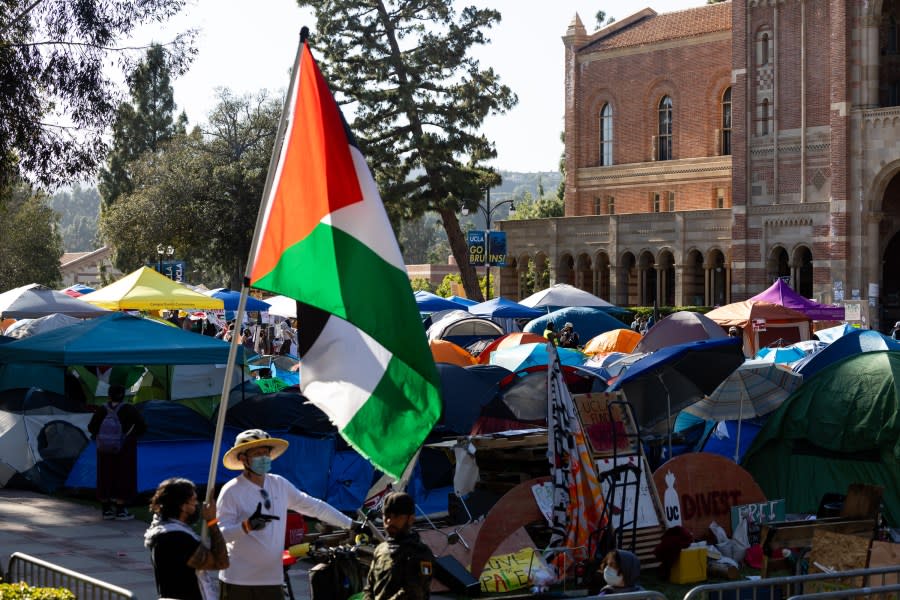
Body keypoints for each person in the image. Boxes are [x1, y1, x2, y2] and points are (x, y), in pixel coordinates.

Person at [216, 429, 354, 599]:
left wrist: (350, 524)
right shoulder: (231, 491)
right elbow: (220, 535)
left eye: (266, 453)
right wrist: (247, 525)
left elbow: (315, 507)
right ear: (243, 458)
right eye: (257, 454)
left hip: (272, 580)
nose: (264, 458)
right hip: (238, 581)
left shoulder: (280, 484)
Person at [144, 478, 229, 600]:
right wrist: (212, 522)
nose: (197, 505)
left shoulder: (162, 529)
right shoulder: (178, 539)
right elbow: (221, 562)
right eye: (193, 501)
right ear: (182, 506)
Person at [87, 383, 146, 520]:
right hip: (124, 450)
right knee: (123, 477)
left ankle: (106, 510)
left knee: (104, 476)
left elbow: (91, 427)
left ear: (109, 395)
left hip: (103, 450)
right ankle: (120, 510)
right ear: (123, 396)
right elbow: (142, 427)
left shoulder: (102, 410)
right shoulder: (129, 409)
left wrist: (101, 437)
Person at [363, 492, 433, 600]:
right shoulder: (381, 550)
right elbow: (369, 587)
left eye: (396, 516)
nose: (389, 521)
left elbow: (412, 592)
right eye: (386, 516)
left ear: (411, 519)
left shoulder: (420, 553)